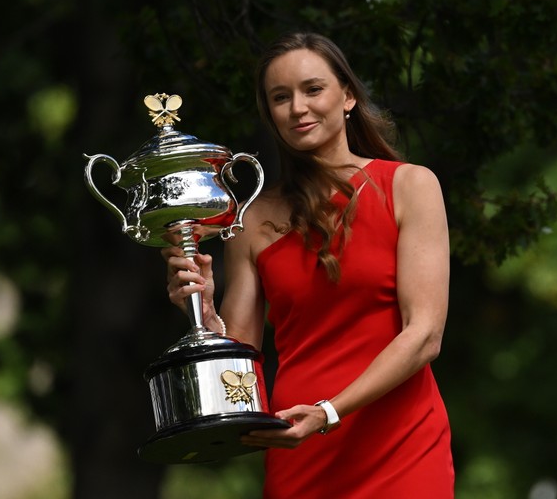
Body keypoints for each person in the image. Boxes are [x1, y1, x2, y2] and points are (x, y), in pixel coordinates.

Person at [162, 32, 454, 498]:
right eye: (281, 97)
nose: (297, 107)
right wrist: (204, 314)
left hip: (401, 444)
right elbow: (242, 358)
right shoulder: (251, 220)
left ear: (348, 96)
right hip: (299, 449)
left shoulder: (410, 186)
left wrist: (329, 412)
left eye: (312, 89)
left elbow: (424, 336)